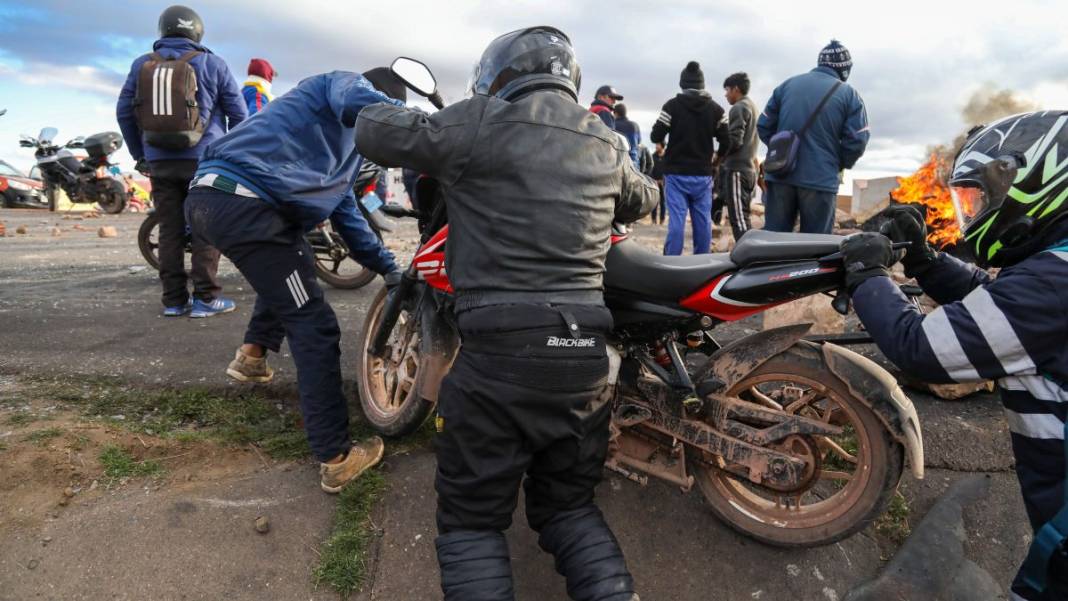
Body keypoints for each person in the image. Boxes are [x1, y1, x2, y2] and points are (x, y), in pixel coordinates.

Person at [356, 26, 657, 601]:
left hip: (498, 358)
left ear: (500, 76)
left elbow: (375, 129)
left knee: (472, 522)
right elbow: (644, 198)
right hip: (586, 363)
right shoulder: (606, 140)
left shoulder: (476, 121)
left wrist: (363, 95)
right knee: (569, 508)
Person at [839, 111, 1068, 601]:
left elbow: (921, 348)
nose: (975, 213)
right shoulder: (1055, 269)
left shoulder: (1054, 284)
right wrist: (924, 259)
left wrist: (866, 275)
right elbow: (997, 306)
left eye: (980, 199)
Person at [183, 67, 408, 494]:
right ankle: (336, 457)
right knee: (315, 326)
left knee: (293, 267)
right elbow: (360, 98)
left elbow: (349, 219)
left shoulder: (344, 155)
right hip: (244, 203)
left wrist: (387, 266)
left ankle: (251, 358)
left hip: (212, 199)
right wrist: (421, 121)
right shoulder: (339, 84)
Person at [116, 5, 246, 317]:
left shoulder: (141, 65)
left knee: (169, 230)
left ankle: (174, 301)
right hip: (204, 162)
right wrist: (229, 154)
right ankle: (206, 298)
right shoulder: (213, 63)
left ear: (163, 30)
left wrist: (140, 155)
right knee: (204, 229)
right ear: (197, 31)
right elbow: (240, 115)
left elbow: (124, 112)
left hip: (159, 161)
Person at [757, 39, 869, 234]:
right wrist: (837, 163)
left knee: (773, 241)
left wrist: (782, 150)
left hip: (780, 175)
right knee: (816, 246)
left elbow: (764, 125)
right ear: (844, 69)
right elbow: (857, 140)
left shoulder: (787, 85)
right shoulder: (849, 95)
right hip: (820, 180)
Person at [650, 61, 728, 255]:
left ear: (682, 84)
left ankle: (671, 263)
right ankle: (702, 264)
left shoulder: (672, 106)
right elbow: (727, 141)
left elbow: (655, 135)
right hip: (702, 174)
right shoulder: (716, 110)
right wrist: (716, 160)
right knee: (702, 222)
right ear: (702, 84)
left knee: (676, 222)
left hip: (675, 173)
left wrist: (663, 144)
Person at [719, 72, 759, 241]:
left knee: (739, 219)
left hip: (737, 170)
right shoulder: (753, 106)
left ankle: (748, 257)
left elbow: (735, 141)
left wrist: (719, 156)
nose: (726, 94)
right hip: (749, 170)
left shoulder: (739, 107)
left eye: (727, 90)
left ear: (736, 89)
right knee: (744, 216)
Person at [613, 102, 641, 168]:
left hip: (619, 164)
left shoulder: (613, 125)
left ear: (615, 113)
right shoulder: (635, 125)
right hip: (634, 162)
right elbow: (639, 142)